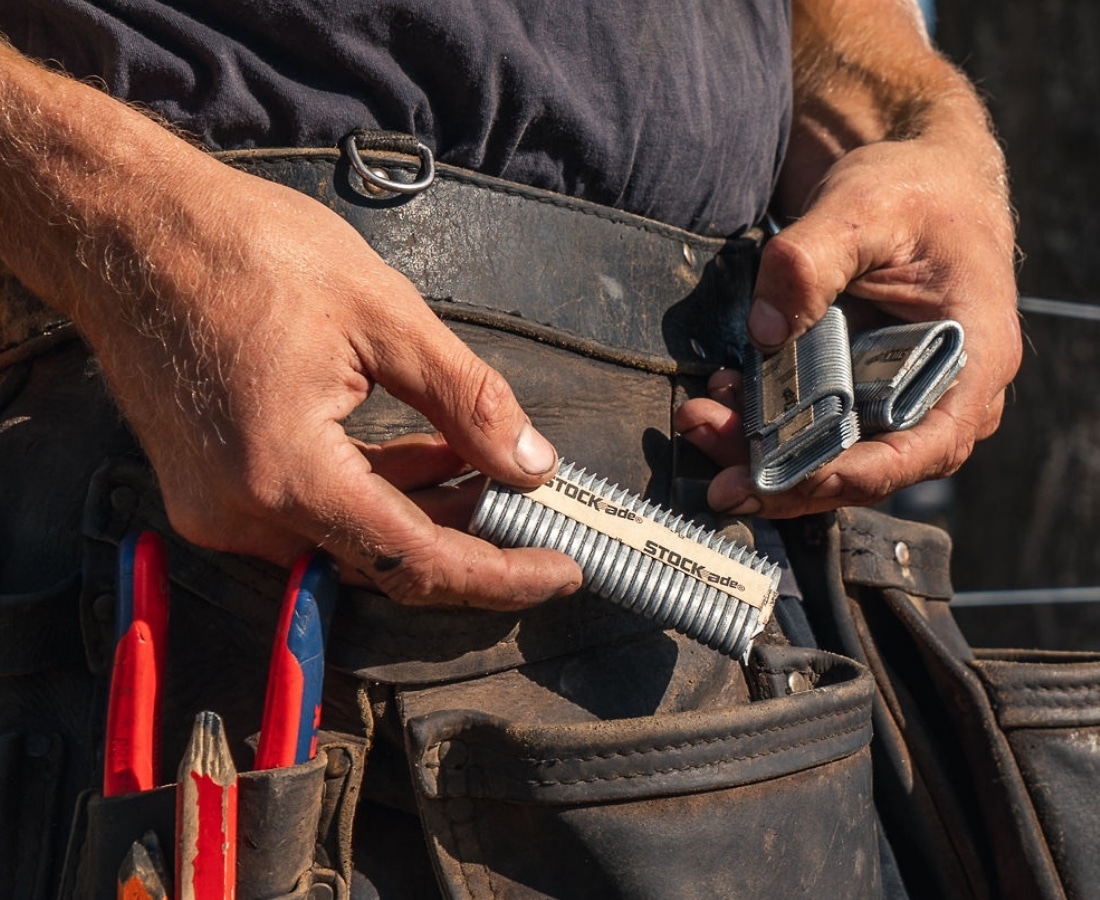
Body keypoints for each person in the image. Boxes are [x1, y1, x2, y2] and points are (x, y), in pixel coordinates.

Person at [0, 0, 1019, 897]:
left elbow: (834, 29)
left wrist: (924, 131)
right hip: (211, 480)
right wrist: (118, 220)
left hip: (732, 607)